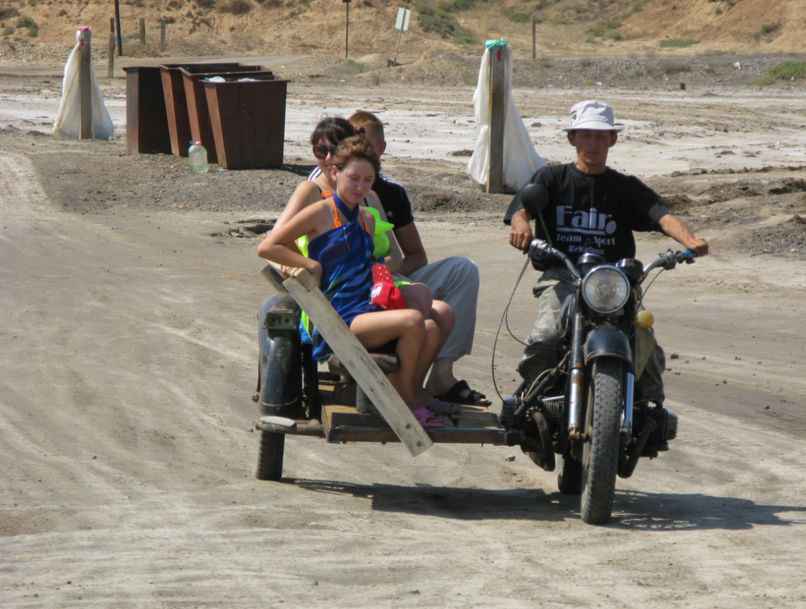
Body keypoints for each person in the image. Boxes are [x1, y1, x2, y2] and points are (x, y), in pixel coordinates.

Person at [505, 100, 709, 467]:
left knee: (645, 343)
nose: (593, 143)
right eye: (586, 135)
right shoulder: (551, 179)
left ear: (613, 140)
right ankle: (530, 403)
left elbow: (662, 216)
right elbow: (522, 206)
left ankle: (648, 413)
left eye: (601, 136)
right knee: (548, 334)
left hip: (613, 283)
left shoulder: (625, 187)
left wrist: (689, 240)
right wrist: (521, 225)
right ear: (572, 138)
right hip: (564, 275)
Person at [258, 136, 451, 426]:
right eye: (353, 178)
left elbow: (368, 265)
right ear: (335, 173)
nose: (360, 187)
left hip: (366, 305)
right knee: (412, 321)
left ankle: (408, 391)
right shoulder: (321, 212)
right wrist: (310, 263)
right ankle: (405, 402)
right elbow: (268, 247)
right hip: (339, 316)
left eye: (368, 180)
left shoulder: (366, 219)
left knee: (436, 322)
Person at [345, 110, 489, 407]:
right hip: (350, 287)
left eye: (367, 145)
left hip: (388, 276)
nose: (359, 151)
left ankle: (441, 375)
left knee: (463, 270)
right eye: (351, 142)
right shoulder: (330, 183)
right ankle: (405, 391)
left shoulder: (388, 191)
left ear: (381, 150)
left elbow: (415, 256)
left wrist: (385, 275)